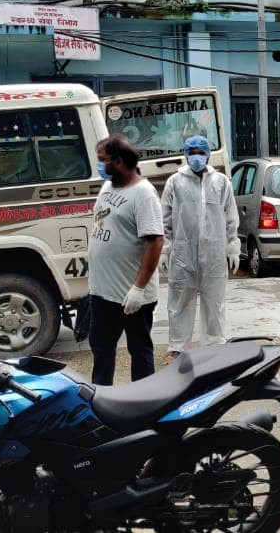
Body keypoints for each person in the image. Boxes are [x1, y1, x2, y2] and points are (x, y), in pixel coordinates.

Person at [87, 135, 165, 385]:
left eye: (102, 161)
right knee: (101, 351)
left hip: (130, 296)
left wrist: (138, 289)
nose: (99, 166)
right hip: (102, 292)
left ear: (119, 162)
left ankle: (143, 405)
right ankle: (102, 404)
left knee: (140, 352)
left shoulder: (143, 194)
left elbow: (155, 242)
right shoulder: (109, 186)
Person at [159, 135, 239, 364]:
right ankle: (177, 348)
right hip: (183, 254)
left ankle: (215, 347)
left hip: (214, 253)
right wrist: (165, 249)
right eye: (192, 152)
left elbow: (230, 217)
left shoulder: (221, 182)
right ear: (185, 154)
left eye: (200, 152)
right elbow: (165, 218)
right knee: (179, 303)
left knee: (214, 303)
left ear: (208, 154)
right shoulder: (175, 182)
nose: (196, 156)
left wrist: (232, 246)